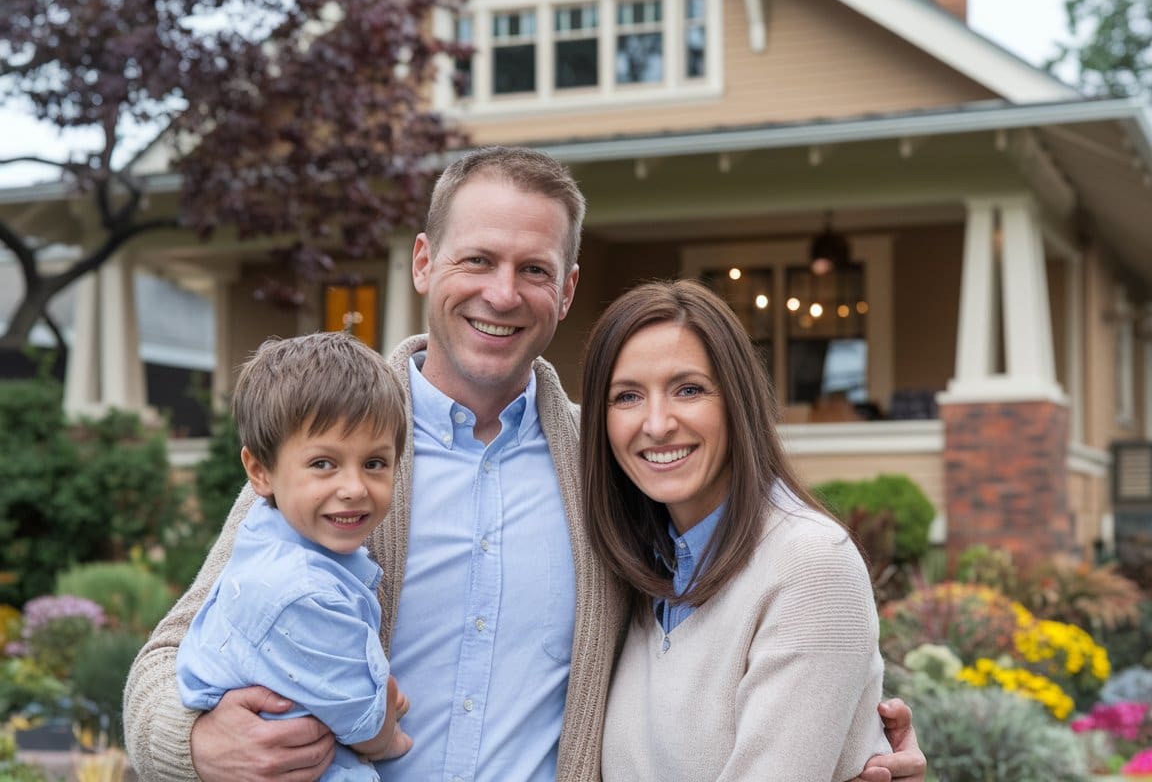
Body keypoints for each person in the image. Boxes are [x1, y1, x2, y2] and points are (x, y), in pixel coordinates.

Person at [123, 145, 926, 782]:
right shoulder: (331, 462)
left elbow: (740, 595)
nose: (502, 295)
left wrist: (856, 745)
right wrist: (193, 746)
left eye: (533, 270)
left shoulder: (609, 470)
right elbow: (170, 654)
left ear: (568, 289)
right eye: (478, 261)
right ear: (424, 264)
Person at [581, 278, 894, 780]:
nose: (657, 424)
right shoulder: (641, 573)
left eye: (688, 390)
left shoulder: (811, 565)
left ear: (737, 402)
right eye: (627, 396)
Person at [175, 331, 413, 780]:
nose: (354, 488)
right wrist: (389, 731)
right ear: (259, 472)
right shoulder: (301, 591)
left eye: (375, 463)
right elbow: (364, 725)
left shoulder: (270, 542)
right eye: (323, 463)